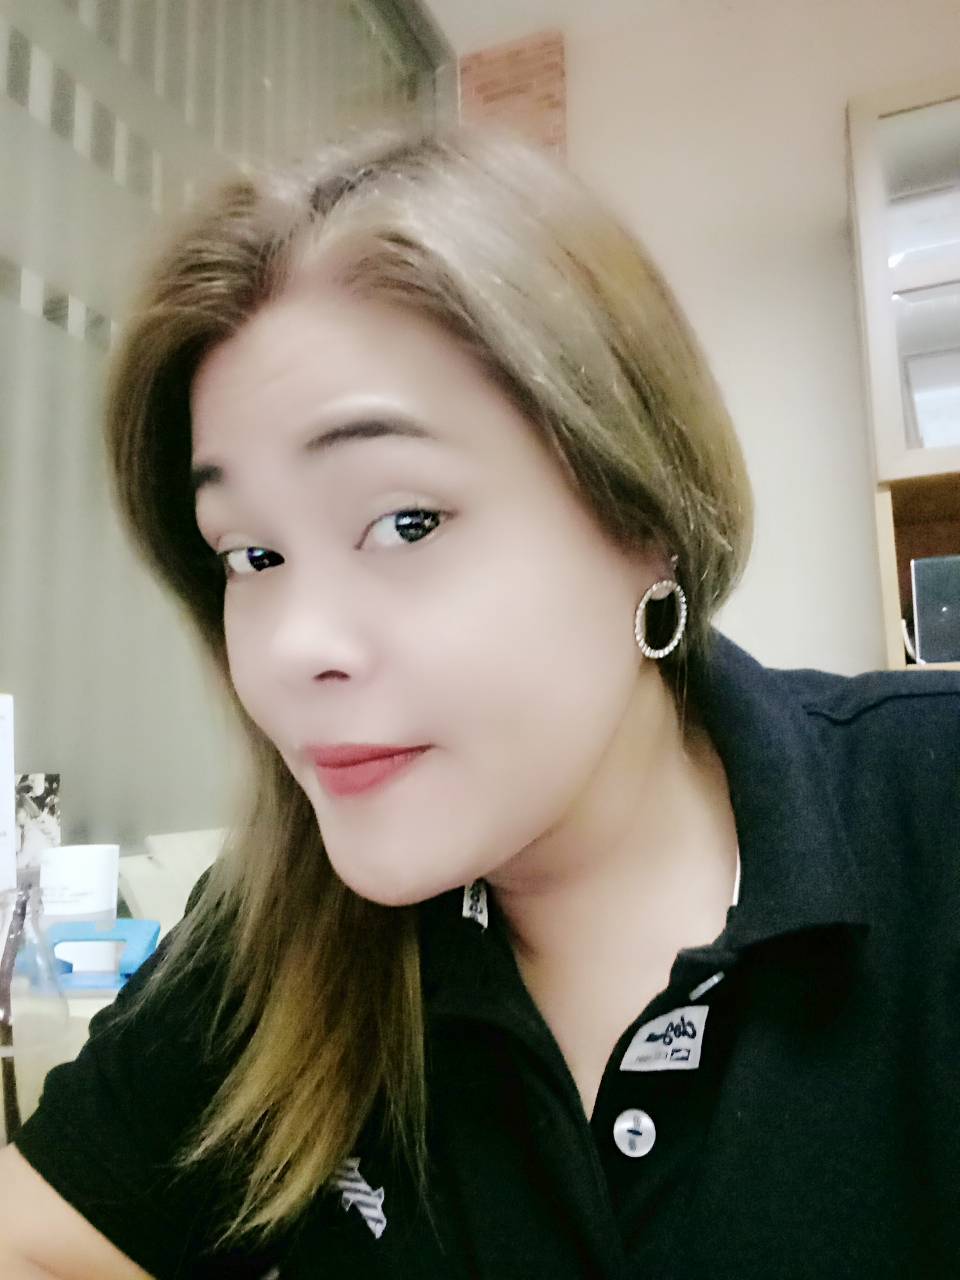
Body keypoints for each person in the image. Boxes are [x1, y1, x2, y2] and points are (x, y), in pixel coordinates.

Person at [1, 125, 958, 1280]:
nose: (295, 647)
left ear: (644, 516)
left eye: (405, 521)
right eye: (251, 555)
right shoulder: (277, 935)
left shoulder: (932, 810)